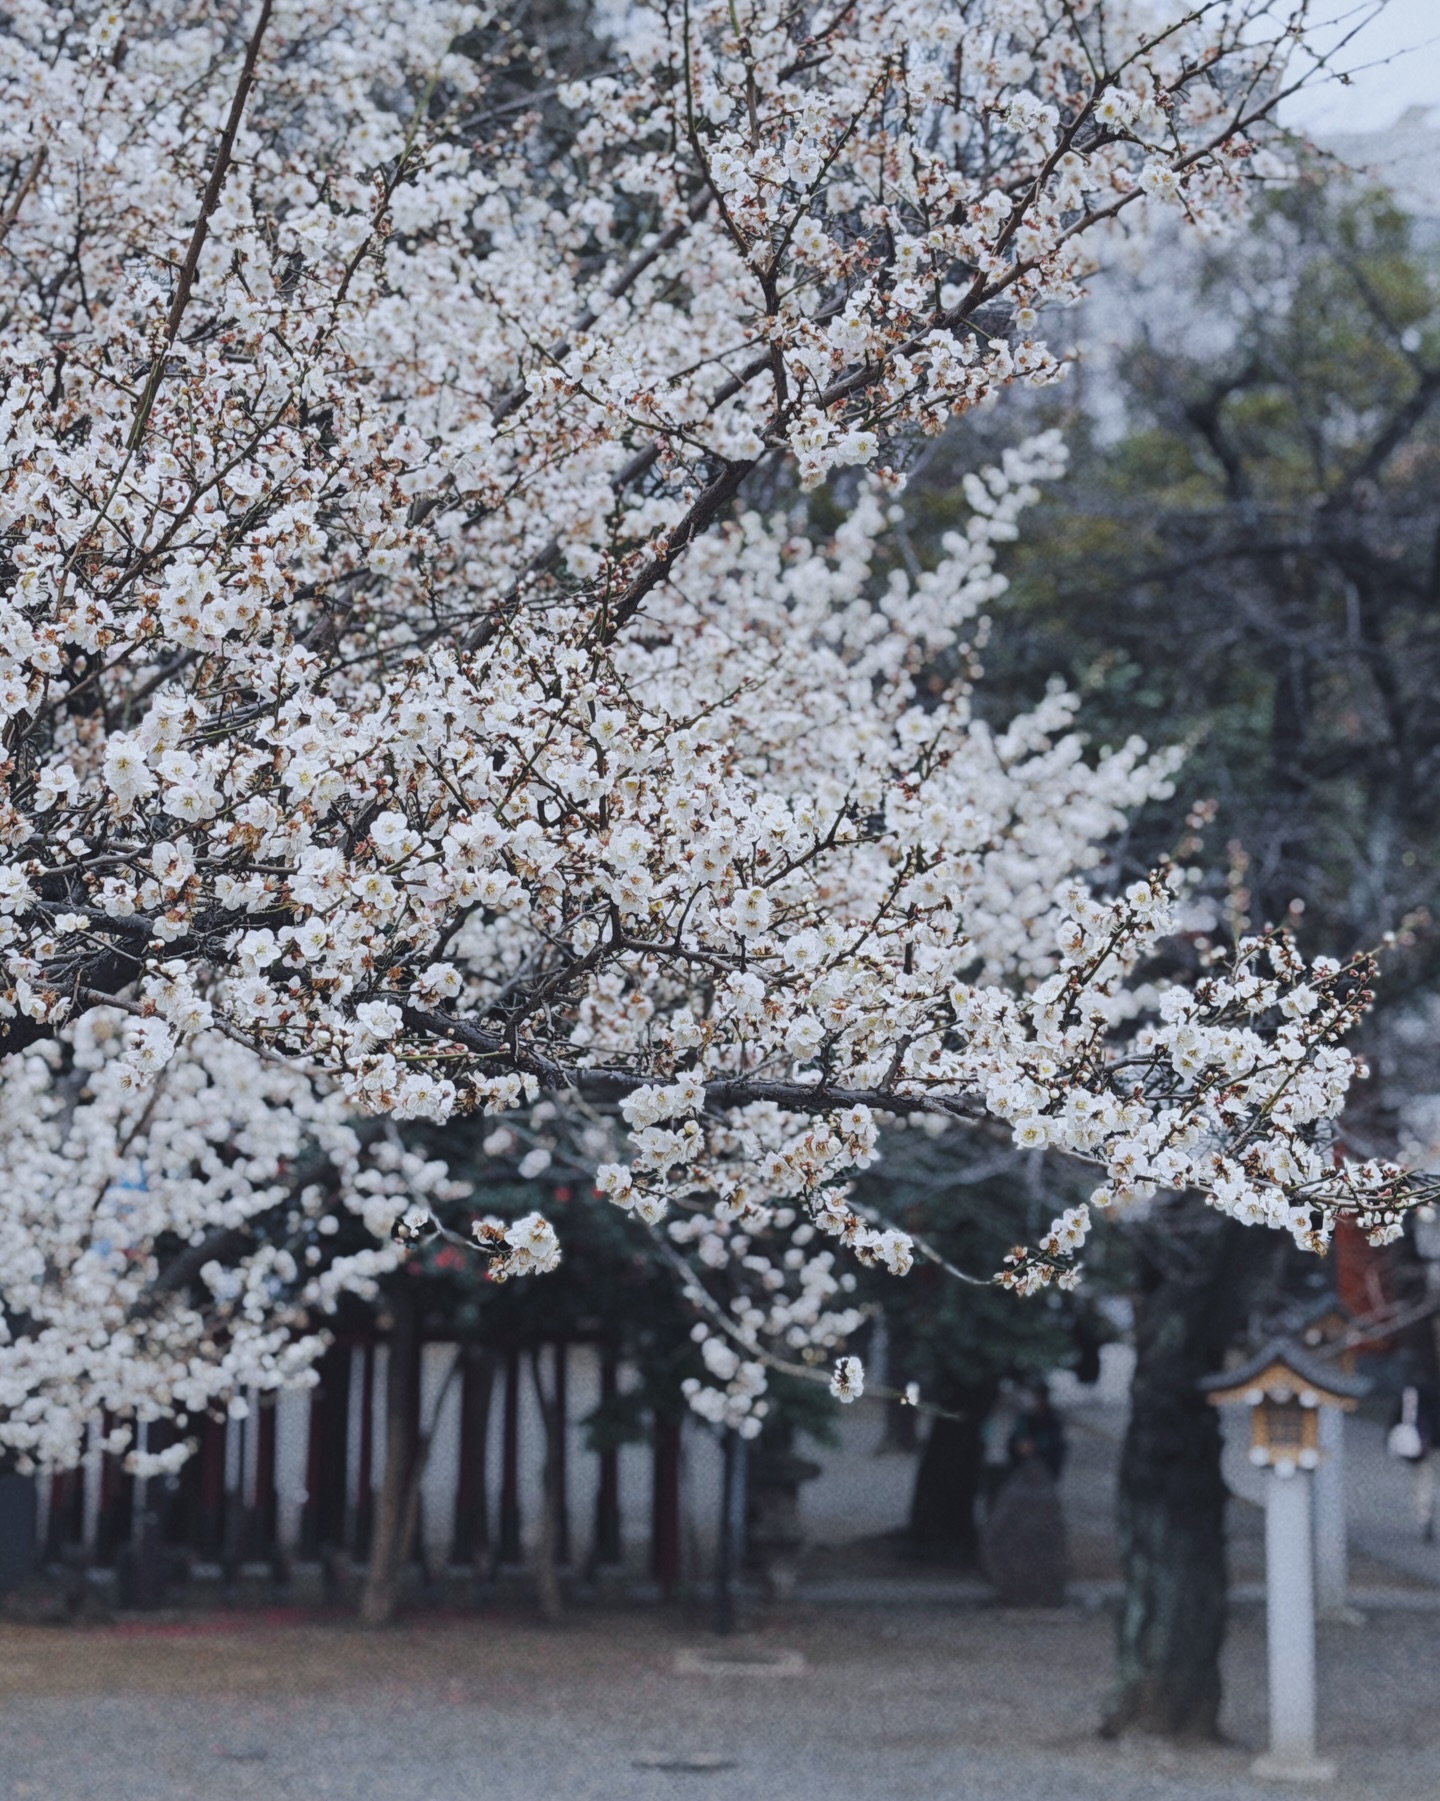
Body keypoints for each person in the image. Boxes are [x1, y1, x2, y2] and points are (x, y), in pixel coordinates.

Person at [1389, 1379, 1440, 1542]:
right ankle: (1425, 1518)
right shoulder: (1420, 1381)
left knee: (1423, 1482)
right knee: (1423, 1480)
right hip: (1424, 1442)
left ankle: (1425, 1517)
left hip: (1422, 1441)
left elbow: (1402, 1410)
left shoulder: (1418, 1380)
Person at [1006, 1385, 1068, 1482]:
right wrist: (1021, 1444)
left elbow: (1053, 1439)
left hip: (1045, 1467)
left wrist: (1035, 1445)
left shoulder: (1053, 1419)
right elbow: (1017, 1434)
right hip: (1022, 1467)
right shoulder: (1024, 1417)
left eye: (1037, 1397)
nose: (1035, 1401)